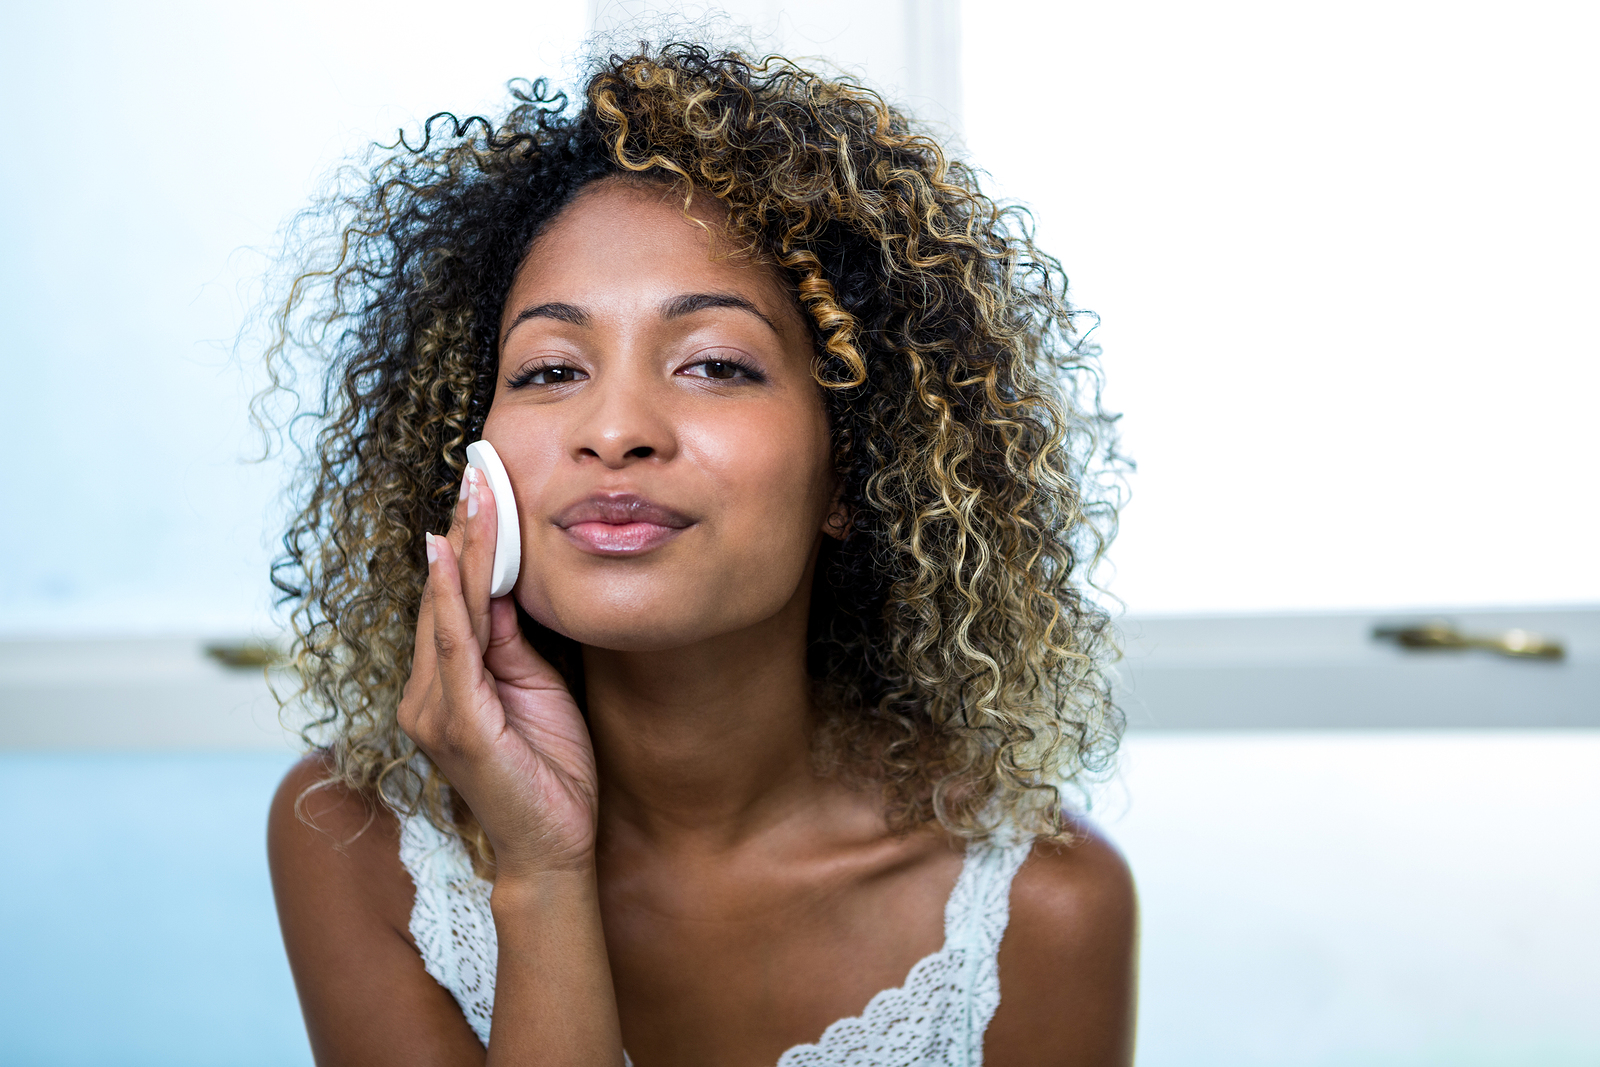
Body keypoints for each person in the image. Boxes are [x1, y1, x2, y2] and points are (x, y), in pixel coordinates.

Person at [265, 42, 1137, 1067]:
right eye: (550, 369)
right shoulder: (356, 841)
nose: (616, 427)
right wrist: (542, 874)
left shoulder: (1042, 908)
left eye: (715, 364)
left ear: (853, 471)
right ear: (472, 462)